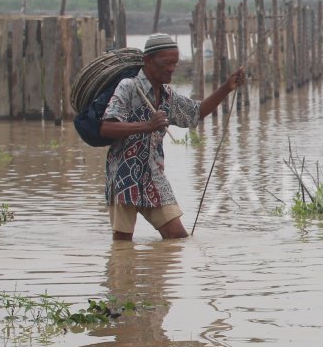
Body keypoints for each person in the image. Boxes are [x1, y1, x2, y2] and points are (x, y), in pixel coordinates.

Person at [100, 32, 244, 241]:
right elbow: (106, 128)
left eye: (175, 63)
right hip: (124, 177)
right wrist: (147, 126)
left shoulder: (167, 95)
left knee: (177, 237)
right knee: (123, 245)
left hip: (154, 178)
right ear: (148, 61)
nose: (171, 68)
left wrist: (226, 87)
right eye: (166, 63)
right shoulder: (129, 87)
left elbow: (196, 112)